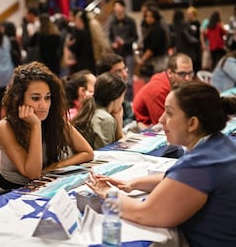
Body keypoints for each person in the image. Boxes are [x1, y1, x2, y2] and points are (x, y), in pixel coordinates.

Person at [87, 80, 236, 246]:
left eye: (169, 113)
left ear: (192, 123)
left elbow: (145, 213)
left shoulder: (201, 164)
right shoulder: (221, 145)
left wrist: (108, 193)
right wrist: (132, 183)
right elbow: (178, 180)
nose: (161, 120)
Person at [0, 62, 94, 202]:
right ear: (19, 99)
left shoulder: (54, 120)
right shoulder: (5, 127)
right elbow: (33, 174)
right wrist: (36, 126)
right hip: (6, 195)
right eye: (35, 98)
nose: (43, 105)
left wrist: (55, 167)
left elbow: (87, 152)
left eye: (47, 97)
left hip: (42, 189)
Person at [133, 53, 194, 129]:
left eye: (190, 73)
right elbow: (164, 125)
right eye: (182, 74)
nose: (188, 78)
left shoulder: (176, 85)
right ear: (170, 73)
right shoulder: (158, 90)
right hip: (143, 129)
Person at [72, 72, 126, 150]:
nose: (123, 100)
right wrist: (119, 122)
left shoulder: (91, 108)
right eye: (123, 96)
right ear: (116, 97)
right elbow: (104, 154)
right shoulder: (106, 119)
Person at [108, 0, 138, 101]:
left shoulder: (130, 21)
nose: (117, 9)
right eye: (115, 7)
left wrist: (124, 42)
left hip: (128, 53)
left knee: (128, 78)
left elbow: (135, 37)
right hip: (117, 54)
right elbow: (110, 37)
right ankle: (120, 100)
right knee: (117, 78)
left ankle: (130, 101)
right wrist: (113, 44)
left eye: (118, 7)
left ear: (123, 8)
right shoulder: (113, 22)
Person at [96, 53, 135, 127]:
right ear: (105, 76)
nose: (125, 74)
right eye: (118, 71)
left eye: (124, 69)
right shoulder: (98, 99)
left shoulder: (120, 91)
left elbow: (131, 118)